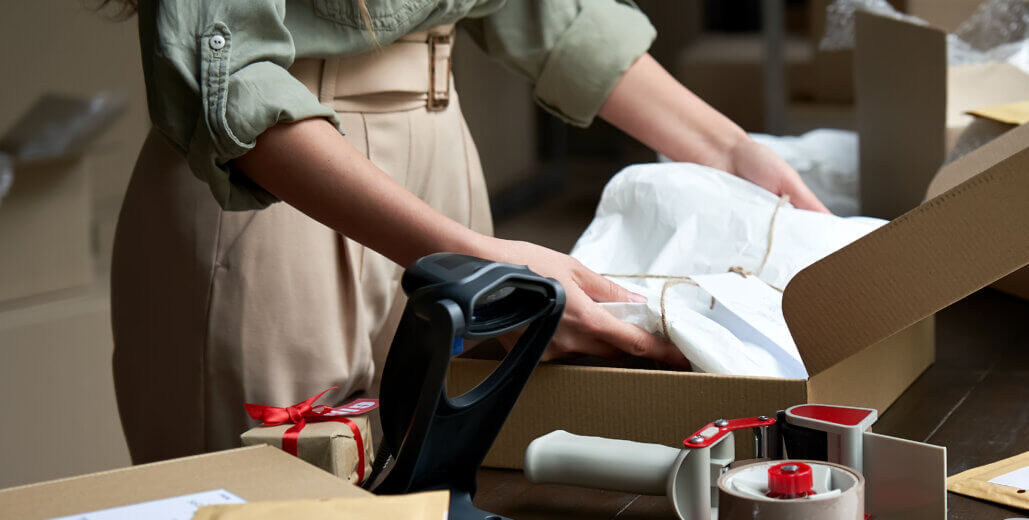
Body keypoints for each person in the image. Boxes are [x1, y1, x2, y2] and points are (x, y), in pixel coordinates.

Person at [103, 0, 830, 464]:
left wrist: (731, 152)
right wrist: (476, 259)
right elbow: (229, 78)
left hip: (441, 148)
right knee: (286, 489)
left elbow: (553, 14)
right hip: (273, 179)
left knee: (440, 478)